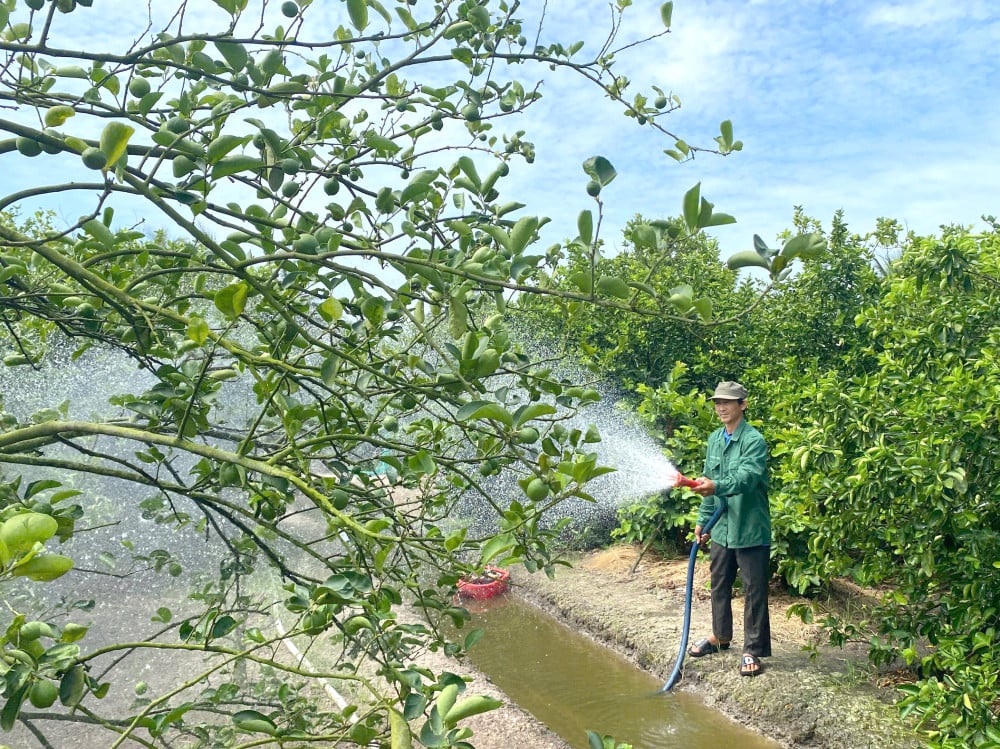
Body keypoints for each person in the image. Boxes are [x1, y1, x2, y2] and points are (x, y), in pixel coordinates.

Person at [687, 381, 771, 677]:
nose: (721, 407)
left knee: (753, 589)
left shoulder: (753, 440)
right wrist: (703, 520)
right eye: (717, 402)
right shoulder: (714, 439)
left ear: (742, 405)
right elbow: (709, 482)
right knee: (719, 582)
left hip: (749, 527)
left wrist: (717, 486)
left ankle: (753, 649)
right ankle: (720, 637)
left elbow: (747, 478)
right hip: (722, 527)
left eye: (728, 402)